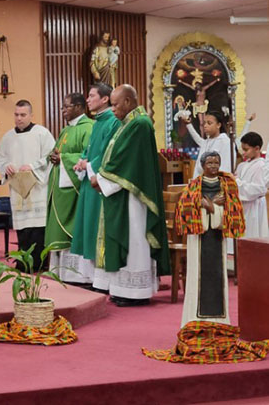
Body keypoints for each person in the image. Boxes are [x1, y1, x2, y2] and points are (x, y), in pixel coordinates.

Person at [92, 84, 169, 306]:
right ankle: (121, 289)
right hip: (122, 192)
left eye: (115, 104)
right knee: (125, 237)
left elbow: (128, 162)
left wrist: (102, 178)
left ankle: (135, 292)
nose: (113, 109)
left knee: (134, 238)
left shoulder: (140, 124)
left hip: (134, 195)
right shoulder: (127, 122)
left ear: (128, 101)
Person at [175, 151, 244, 326]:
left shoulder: (227, 185)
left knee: (217, 276)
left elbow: (233, 209)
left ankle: (218, 321)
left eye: (216, 162)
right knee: (199, 277)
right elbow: (186, 209)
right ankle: (196, 320)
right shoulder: (193, 186)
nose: (213, 166)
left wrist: (211, 208)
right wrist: (207, 207)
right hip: (199, 237)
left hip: (217, 237)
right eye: (209, 163)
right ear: (203, 165)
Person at [0, 99, 55, 271]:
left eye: (23, 115)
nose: (19, 118)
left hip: (37, 188)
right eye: (16, 115)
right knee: (22, 228)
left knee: (37, 227)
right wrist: (7, 167)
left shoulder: (42, 133)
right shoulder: (8, 137)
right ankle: (23, 261)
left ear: (31, 115)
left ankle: (38, 263)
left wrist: (33, 166)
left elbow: (51, 156)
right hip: (18, 189)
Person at [70, 83, 122, 286]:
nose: (88, 100)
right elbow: (90, 148)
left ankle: (102, 279)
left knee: (97, 228)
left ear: (105, 99)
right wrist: (82, 160)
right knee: (88, 226)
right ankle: (91, 277)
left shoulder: (112, 122)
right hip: (89, 180)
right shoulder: (98, 121)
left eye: (92, 96)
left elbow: (109, 151)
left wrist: (90, 165)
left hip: (99, 182)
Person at [46, 93, 93, 283]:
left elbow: (88, 155)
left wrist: (63, 159)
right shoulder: (66, 131)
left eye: (67, 107)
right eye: (62, 107)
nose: (63, 110)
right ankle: (62, 272)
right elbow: (58, 150)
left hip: (74, 190)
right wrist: (53, 155)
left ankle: (79, 276)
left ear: (80, 107)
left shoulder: (88, 127)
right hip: (60, 189)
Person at [235, 132, 269, 241]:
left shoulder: (261, 166)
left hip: (254, 206)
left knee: (252, 236)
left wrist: (236, 181)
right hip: (242, 205)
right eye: (242, 149)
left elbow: (258, 189)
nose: (243, 153)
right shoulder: (242, 165)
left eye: (246, 150)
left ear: (257, 148)